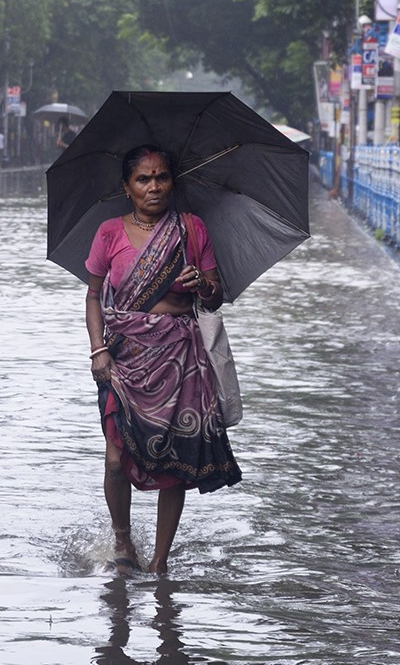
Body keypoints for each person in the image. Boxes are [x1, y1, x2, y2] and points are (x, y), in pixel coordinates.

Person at [84, 144, 242, 576]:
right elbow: (95, 295)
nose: (154, 187)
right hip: (124, 358)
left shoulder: (191, 229)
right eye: (143, 179)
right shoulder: (109, 233)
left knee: (175, 463)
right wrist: (98, 349)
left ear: (173, 181)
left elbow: (214, 292)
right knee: (116, 458)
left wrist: (199, 284)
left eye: (162, 177)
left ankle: (160, 560)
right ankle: (122, 539)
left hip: (180, 358)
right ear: (127, 187)